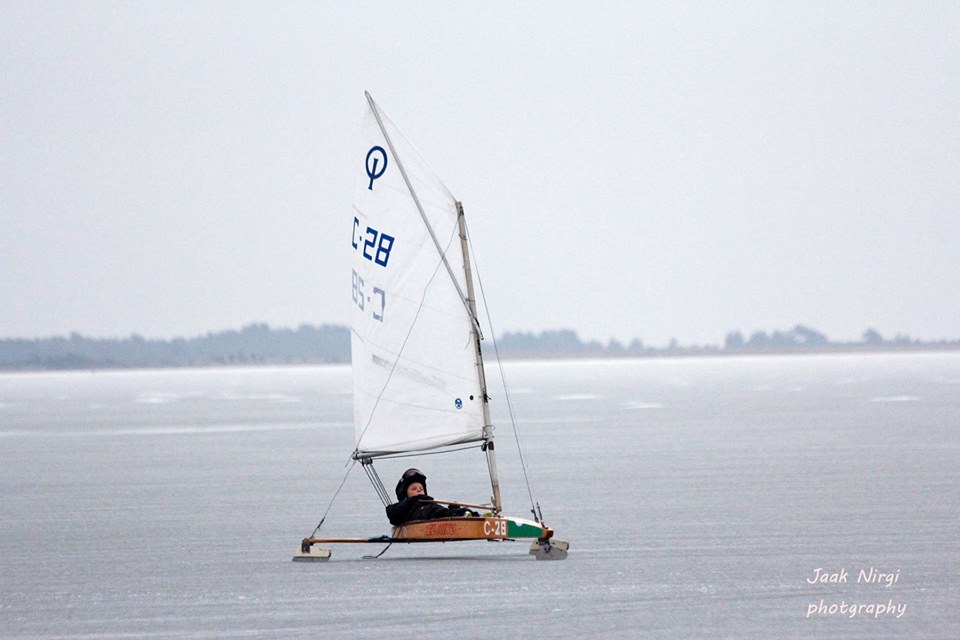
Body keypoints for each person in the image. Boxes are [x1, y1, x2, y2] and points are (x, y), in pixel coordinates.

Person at [385, 468, 478, 526]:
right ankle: (462, 515)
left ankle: (470, 515)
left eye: (421, 488)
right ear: (405, 494)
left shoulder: (428, 502)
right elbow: (393, 515)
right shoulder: (402, 507)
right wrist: (413, 500)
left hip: (432, 511)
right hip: (422, 515)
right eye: (414, 489)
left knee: (444, 510)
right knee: (437, 512)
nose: (419, 490)